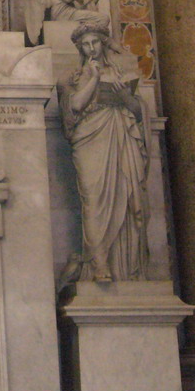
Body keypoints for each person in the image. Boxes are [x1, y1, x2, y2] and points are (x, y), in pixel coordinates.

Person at [58, 23, 150, 283]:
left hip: (119, 131)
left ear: (103, 44)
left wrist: (125, 97)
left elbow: (138, 110)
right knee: (95, 200)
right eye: (85, 45)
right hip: (89, 138)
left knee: (130, 195)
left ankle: (128, 268)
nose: (91, 49)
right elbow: (75, 105)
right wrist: (95, 78)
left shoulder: (121, 72)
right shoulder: (72, 77)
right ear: (80, 49)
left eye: (95, 43)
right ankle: (99, 263)